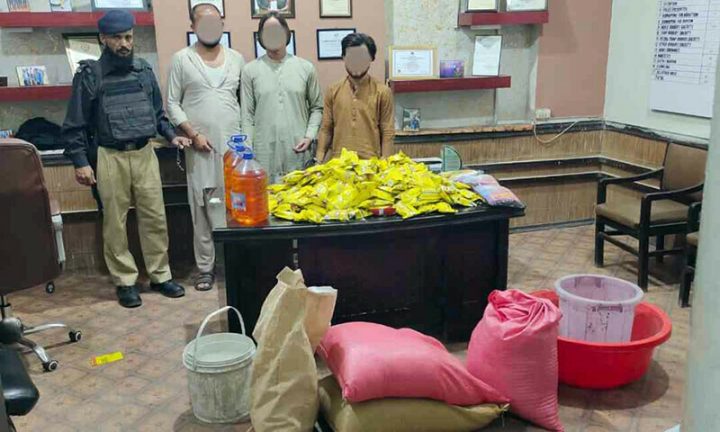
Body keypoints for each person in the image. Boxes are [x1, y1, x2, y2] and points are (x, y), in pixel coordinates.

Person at [61, 10, 192, 308]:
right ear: (103, 39)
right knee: (115, 223)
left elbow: (157, 114)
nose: (124, 44)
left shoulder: (143, 70)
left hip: (145, 153)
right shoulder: (90, 75)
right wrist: (80, 161)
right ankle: (125, 281)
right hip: (110, 155)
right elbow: (74, 124)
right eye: (117, 38)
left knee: (155, 217)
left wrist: (172, 136)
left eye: (129, 37)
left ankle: (160, 275)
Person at [166, 3, 245, 291]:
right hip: (200, 149)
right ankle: (205, 269)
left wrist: (245, 142)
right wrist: (192, 133)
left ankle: (236, 262)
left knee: (237, 205)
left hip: (234, 149)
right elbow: (172, 103)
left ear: (222, 24)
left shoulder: (237, 59)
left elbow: (245, 103)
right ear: (192, 26)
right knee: (201, 208)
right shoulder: (182, 59)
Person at [241, 12, 323, 182]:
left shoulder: (305, 68)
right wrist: (248, 148)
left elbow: (317, 107)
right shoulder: (249, 71)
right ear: (260, 37)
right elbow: (247, 115)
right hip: (263, 152)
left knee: (299, 195)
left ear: (287, 34)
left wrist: (309, 136)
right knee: (266, 196)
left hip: (298, 148)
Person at [315, 33, 395, 162]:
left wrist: (385, 164)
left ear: (371, 58)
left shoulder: (383, 92)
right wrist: (318, 162)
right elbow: (326, 129)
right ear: (343, 58)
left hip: (371, 165)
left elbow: (388, 132)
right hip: (338, 165)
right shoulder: (333, 90)